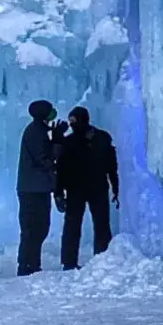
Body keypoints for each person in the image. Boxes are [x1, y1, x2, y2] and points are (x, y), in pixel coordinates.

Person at [57, 105, 119, 270]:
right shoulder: (71, 141)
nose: (71, 125)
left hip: (93, 188)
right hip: (78, 188)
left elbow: (111, 165)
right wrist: (58, 192)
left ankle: (100, 258)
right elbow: (61, 168)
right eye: (70, 121)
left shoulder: (101, 139)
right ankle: (70, 262)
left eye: (74, 121)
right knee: (75, 225)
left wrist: (116, 186)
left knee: (99, 225)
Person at [17, 99, 62, 275]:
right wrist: (57, 143)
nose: (53, 112)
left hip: (36, 187)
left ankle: (31, 264)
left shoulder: (38, 130)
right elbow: (45, 160)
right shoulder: (36, 132)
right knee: (34, 228)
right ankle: (27, 265)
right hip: (33, 189)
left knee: (38, 227)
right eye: (50, 110)